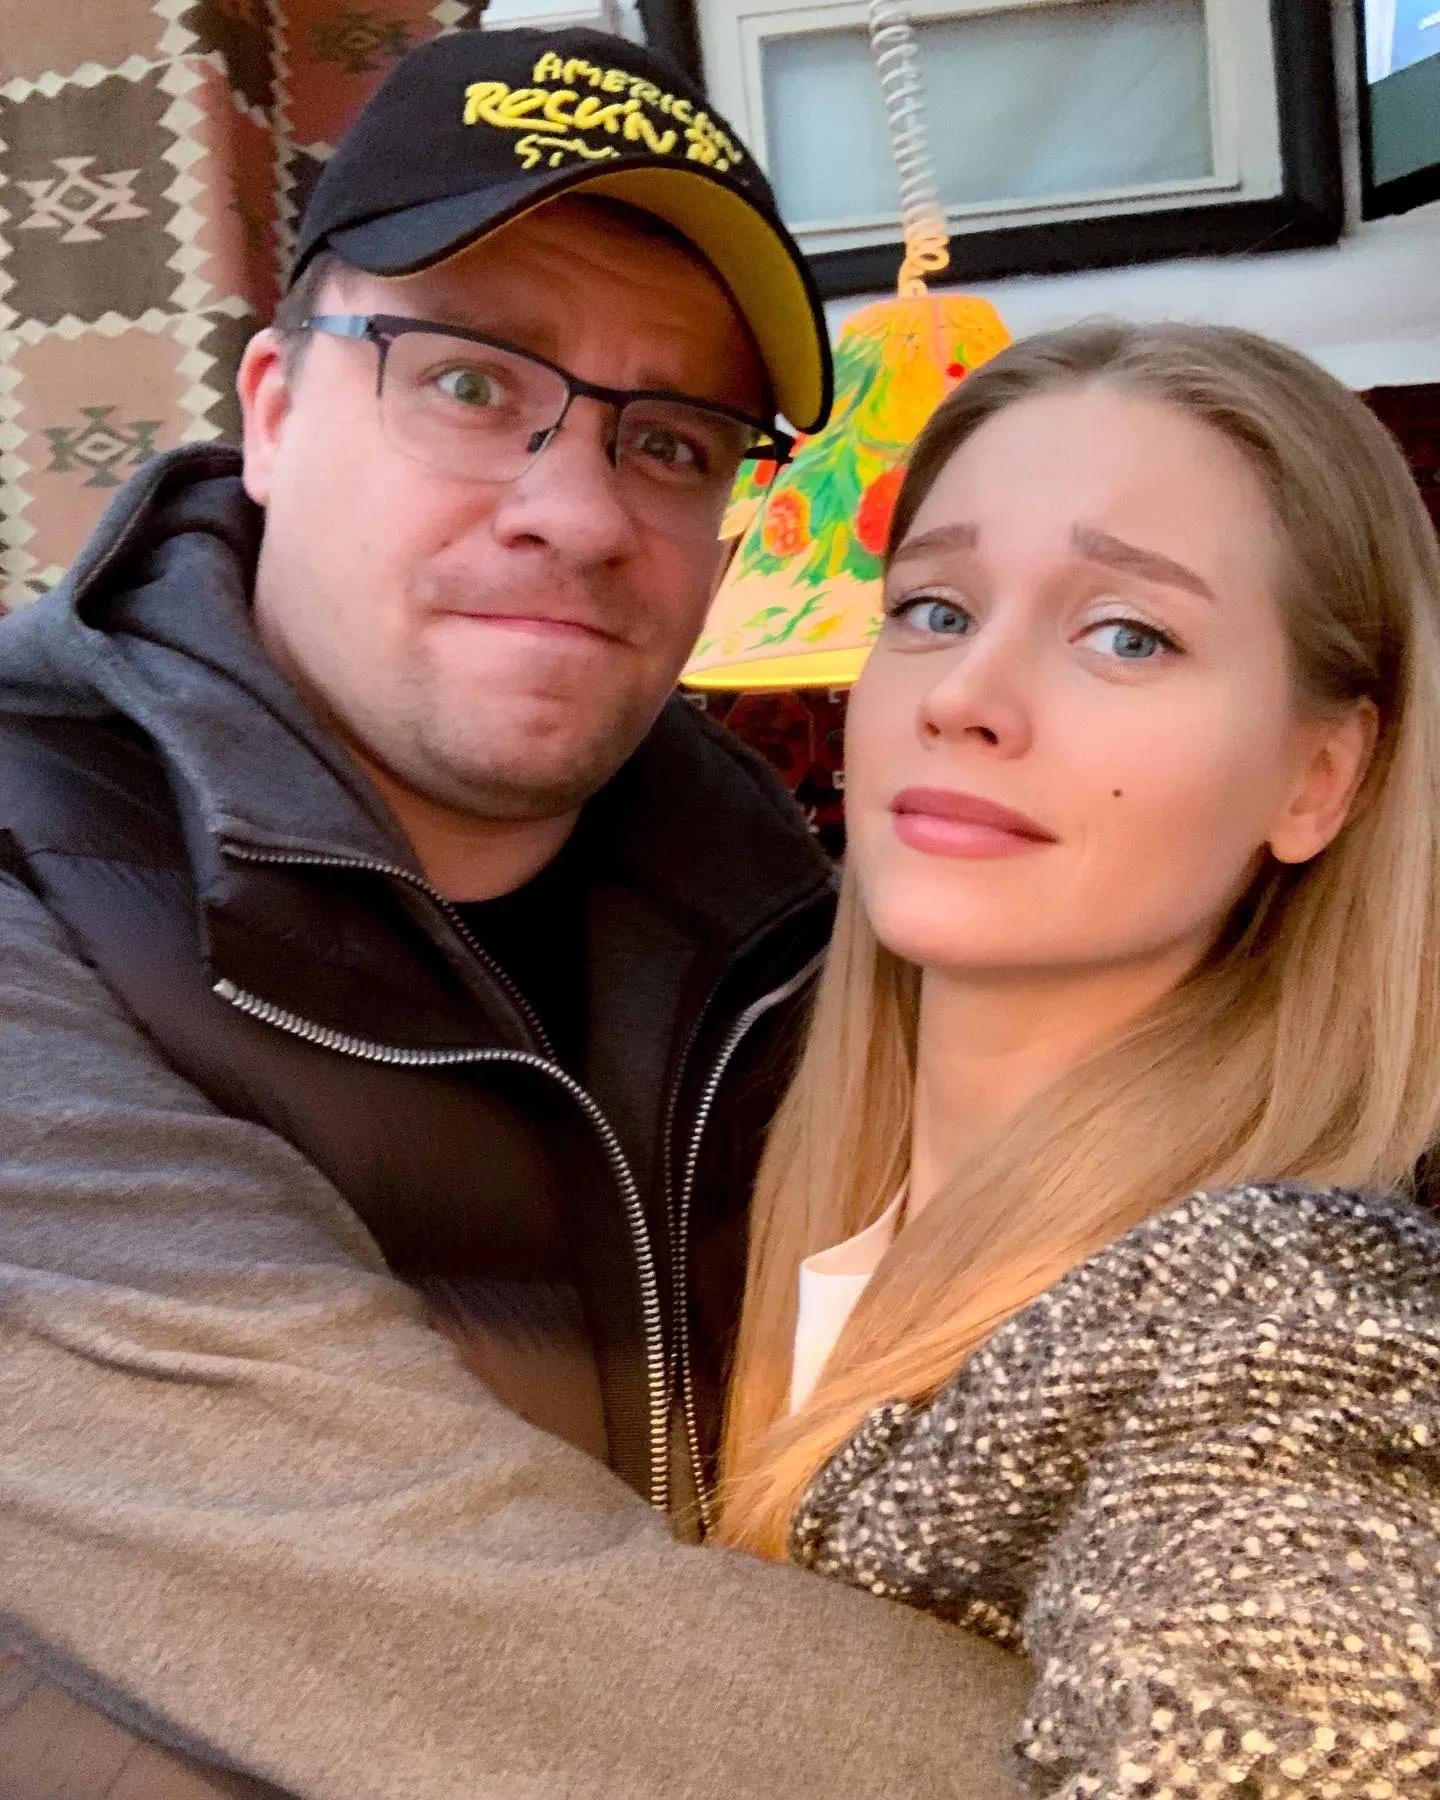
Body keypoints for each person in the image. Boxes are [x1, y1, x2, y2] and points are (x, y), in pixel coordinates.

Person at [0, 25, 1031, 1800]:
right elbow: (439, 1610)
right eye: (472, 384)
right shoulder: (30, 875)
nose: (580, 512)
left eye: (674, 438)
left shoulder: (800, 937)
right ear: (273, 411)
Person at [717, 321, 1440, 1794]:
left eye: (1128, 635)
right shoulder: (703, 1139)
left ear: (1321, 776)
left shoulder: (1284, 1316)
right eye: (933, 608)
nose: (963, 696)